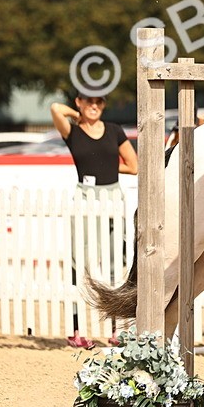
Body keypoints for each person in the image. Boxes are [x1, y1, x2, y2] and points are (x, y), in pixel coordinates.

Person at [51, 92, 137, 280]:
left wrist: (105, 166)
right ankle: (77, 305)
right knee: (81, 253)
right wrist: (77, 115)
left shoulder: (114, 130)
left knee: (114, 252)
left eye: (99, 102)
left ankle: (112, 304)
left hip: (113, 194)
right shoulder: (72, 132)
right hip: (85, 195)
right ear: (79, 102)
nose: (94, 106)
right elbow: (56, 108)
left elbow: (133, 166)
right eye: (89, 101)